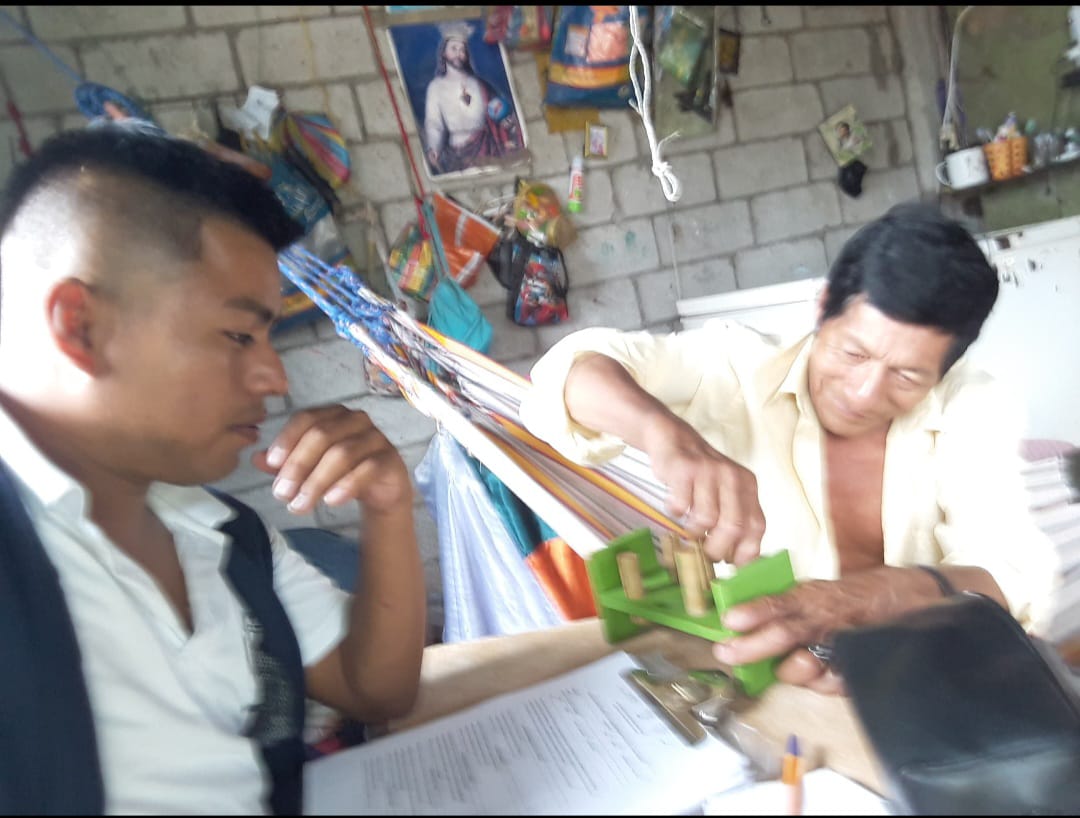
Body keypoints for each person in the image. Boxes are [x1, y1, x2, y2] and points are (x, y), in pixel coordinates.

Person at [0, 123, 426, 813]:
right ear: (80, 326)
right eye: (238, 334)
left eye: (267, 336)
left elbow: (375, 688)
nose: (273, 378)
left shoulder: (225, 534)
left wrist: (387, 506)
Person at [519, 202, 1062, 696]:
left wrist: (873, 598)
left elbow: (1007, 576)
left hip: (920, 685)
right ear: (823, 306)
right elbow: (565, 378)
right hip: (760, 687)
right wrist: (665, 433)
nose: (863, 394)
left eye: (906, 376)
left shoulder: (970, 409)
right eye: (853, 353)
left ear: (945, 370)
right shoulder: (733, 366)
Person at [422, 23, 524, 175]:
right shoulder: (436, 87)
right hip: (456, 155)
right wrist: (434, 147)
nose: (459, 54)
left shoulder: (479, 84)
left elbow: (500, 112)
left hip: (486, 148)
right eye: (454, 48)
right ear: (444, 52)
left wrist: (507, 125)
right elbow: (434, 123)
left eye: (462, 50)